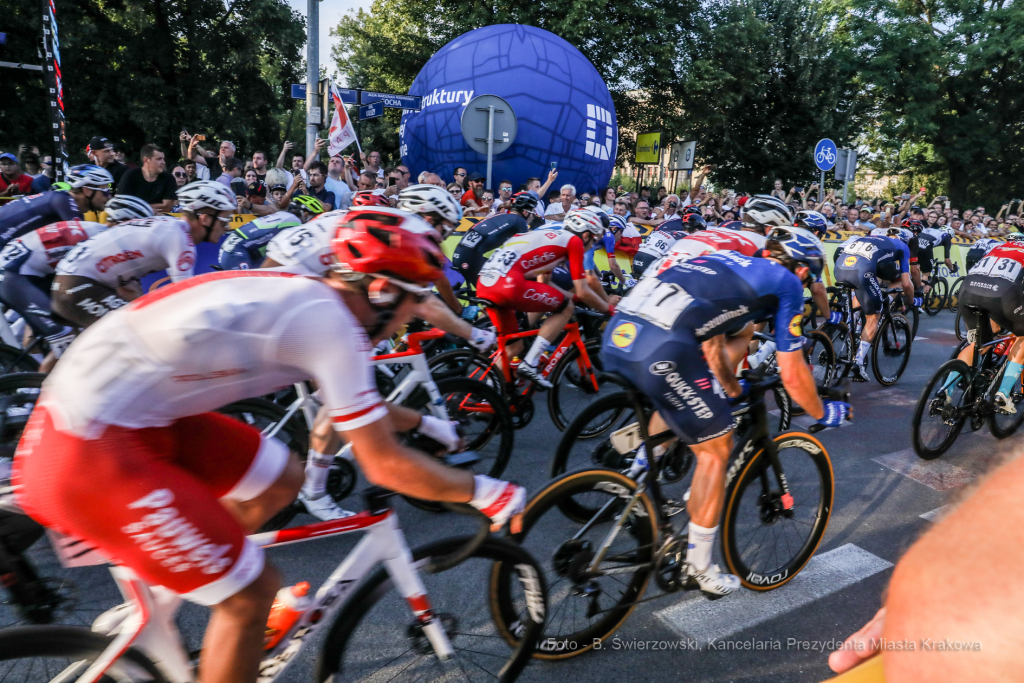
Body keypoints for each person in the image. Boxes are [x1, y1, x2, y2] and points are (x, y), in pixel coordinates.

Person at [13, 212, 526, 683]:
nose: (418, 314)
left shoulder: (314, 300)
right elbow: (384, 463)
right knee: (251, 592)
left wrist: (432, 428)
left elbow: (357, 402)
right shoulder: (331, 327)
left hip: (133, 413)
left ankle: (177, 579)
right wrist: (487, 492)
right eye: (416, 299)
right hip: (85, 447)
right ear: (379, 290)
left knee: (282, 478)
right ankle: (221, 595)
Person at [603, 227, 848, 597]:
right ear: (802, 270)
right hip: (661, 348)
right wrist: (823, 412)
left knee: (682, 405)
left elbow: (714, 342)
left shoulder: (730, 261)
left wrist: (733, 389)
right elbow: (793, 373)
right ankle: (700, 566)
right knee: (716, 449)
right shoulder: (787, 284)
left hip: (619, 334)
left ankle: (636, 476)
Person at [51, 181, 234, 329]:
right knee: (135, 335)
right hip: (78, 282)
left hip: (75, 280)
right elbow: (184, 298)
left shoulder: (169, 227)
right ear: (205, 219)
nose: (227, 227)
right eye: (224, 220)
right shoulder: (181, 240)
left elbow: (133, 294)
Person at [476, 209, 618, 388]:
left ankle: (485, 394)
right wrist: (609, 309)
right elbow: (583, 290)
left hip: (485, 283)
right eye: (594, 241)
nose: (592, 247)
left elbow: (545, 282)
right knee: (565, 308)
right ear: (586, 235)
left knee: (513, 348)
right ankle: (530, 362)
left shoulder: (550, 235)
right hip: (508, 284)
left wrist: (575, 298)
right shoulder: (573, 241)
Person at [833, 226, 917, 381]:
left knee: (860, 296)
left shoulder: (872, 238)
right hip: (860, 270)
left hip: (839, 267)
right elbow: (906, 283)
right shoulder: (903, 246)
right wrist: (912, 301)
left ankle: (852, 329)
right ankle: (858, 363)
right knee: (874, 317)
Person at [0, 165, 112, 248]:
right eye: (105, 190)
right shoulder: (64, 202)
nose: (109, 196)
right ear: (87, 190)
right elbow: (85, 247)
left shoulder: (63, 199)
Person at [218, 197, 324, 271]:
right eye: (313, 218)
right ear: (305, 215)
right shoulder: (295, 224)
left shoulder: (283, 216)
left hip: (235, 249)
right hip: (237, 252)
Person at [452, 192, 536, 284]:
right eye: (533, 212)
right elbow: (526, 251)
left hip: (460, 254)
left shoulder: (500, 215)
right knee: (498, 290)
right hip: (470, 258)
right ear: (525, 212)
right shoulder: (519, 221)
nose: (534, 215)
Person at [116, 144, 177, 214]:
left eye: (163, 159)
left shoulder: (169, 178)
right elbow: (119, 203)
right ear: (146, 160)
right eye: (159, 159)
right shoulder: (130, 175)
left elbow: (167, 207)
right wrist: (147, 210)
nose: (164, 162)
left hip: (160, 221)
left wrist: (135, 208)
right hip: (133, 221)